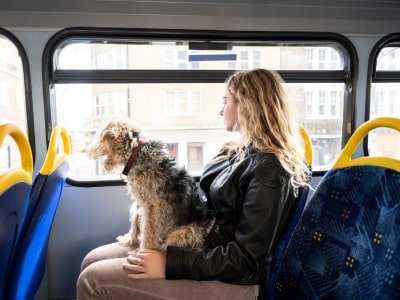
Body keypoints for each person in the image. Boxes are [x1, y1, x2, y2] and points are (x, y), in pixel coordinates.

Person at [76, 68, 310, 300]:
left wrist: (169, 263)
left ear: (245, 105)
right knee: (92, 259)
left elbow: (245, 259)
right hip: (203, 246)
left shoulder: (270, 172)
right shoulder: (235, 150)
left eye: (225, 101)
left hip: (232, 279)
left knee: (92, 280)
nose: (220, 110)